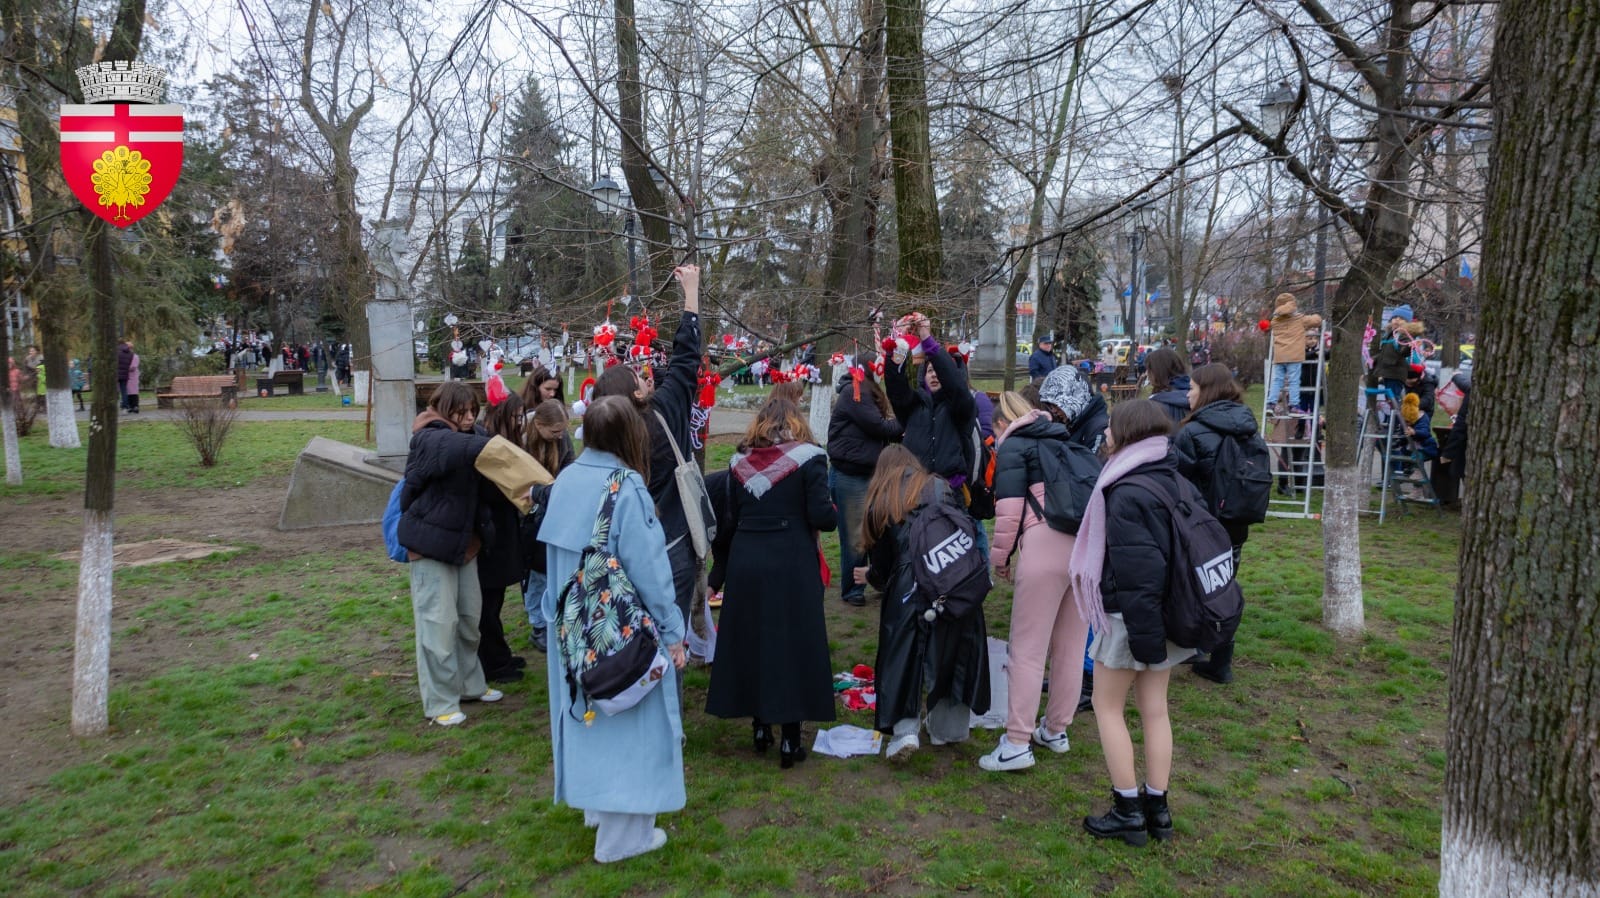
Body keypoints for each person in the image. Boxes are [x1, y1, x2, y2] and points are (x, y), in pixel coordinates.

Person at [540, 395, 688, 864]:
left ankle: (599, 810)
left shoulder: (565, 480)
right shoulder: (625, 488)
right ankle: (623, 838)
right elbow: (652, 571)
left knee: (591, 722)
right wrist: (673, 632)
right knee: (634, 729)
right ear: (632, 435)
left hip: (573, 632)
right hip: (622, 635)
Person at [1070, 399, 1197, 846]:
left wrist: (1144, 641)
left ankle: (1128, 810)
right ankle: (1158, 809)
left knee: (1107, 707)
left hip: (1132, 617)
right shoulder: (1173, 476)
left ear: (1126, 433)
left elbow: (1138, 572)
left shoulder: (1126, 490)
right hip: (1168, 612)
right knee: (1155, 709)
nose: (1104, 434)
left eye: (1110, 427)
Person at [706, 397, 838, 767]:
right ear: (796, 423)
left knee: (753, 641)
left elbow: (731, 519)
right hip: (791, 560)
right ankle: (790, 739)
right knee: (791, 645)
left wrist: (718, 576)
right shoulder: (811, 458)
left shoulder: (737, 462)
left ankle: (760, 727)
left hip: (747, 559)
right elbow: (822, 517)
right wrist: (831, 511)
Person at [981, 391, 1094, 772]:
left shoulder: (1015, 448)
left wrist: (1000, 560)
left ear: (1002, 424)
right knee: (1070, 649)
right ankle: (1056, 729)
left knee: (1028, 649)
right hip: (1082, 549)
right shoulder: (1065, 440)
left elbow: (1009, 512)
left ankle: (1016, 742)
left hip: (1043, 544)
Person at [857, 444, 991, 760]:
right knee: (954, 651)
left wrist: (872, 577)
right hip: (954, 578)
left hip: (909, 583)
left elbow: (883, 564)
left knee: (903, 657)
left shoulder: (882, 499)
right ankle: (949, 729)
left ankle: (905, 731)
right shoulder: (939, 486)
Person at [591, 265, 703, 626]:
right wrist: (691, 293)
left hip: (625, 551)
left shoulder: (603, 436)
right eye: (637, 376)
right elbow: (686, 360)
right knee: (671, 629)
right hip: (673, 543)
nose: (644, 374)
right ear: (637, 394)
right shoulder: (664, 413)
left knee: (634, 631)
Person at [396, 382, 500, 726]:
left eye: (473, 411)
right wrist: (496, 447)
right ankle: (440, 702)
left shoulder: (473, 437)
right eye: (462, 411)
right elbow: (451, 447)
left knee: (469, 621)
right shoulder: (428, 436)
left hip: (465, 547)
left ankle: (470, 685)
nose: (469, 418)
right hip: (430, 546)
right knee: (437, 626)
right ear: (443, 408)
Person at [1171, 363, 1258, 685]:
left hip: (1201, 527)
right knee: (1224, 586)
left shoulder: (1192, 432)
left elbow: (1177, 480)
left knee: (1192, 586)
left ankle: (1191, 646)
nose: (1187, 394)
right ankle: (1221, 660)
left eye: (1192, 388)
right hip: (1236, 521)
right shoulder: (1248, 424)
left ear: (1206, 391)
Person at [826, 354, 902, 606]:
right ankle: (852, 589)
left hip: (869, 473)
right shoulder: (855, 391)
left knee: (879, 531)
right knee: (856, 535)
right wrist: (907, 419)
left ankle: (879, 579)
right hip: (851, 476)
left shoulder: (865, 391)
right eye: (879, 367)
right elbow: (879, 427)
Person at [474, 394, 530, 684]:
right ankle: (493, 662)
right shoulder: (490, 446)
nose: (520, 422)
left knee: (494, 601)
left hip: (500, 531)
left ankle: (498, 655)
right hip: (491, 536)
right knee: (488, 603)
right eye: (517, 416)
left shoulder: (499, 442)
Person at [519, 398, 576, 651]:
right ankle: (538, 625)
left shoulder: (561, 441)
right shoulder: (522, 440)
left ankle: (553, 617)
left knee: (551, 570)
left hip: (554, 510)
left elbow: (569, 469)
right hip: (528, 516)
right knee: (536, 574)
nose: (560, 435)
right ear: (539, 425)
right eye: (555, 431)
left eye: (562, 430)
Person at [1037, 366, 1108, 456]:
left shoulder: (1099, 429)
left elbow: (1093, 463)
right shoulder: (1075, 421)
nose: (1053, 411)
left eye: (1057, 405)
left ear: (1076, 397)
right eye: (1050, 406)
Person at [1268, 294, 1322, 410]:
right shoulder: (1299, 319)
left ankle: (1271, 403)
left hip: (1279, 356)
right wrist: (1316, 315)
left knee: (1277, 380)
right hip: (1294, 356)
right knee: (1294, 381)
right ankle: (1294, 404)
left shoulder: (1275, 321)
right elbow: (1317, 321)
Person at [1145, 348, 1191, 424]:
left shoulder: (1156, 404)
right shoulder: (1196, 393)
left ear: (1158, 371)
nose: (1146, 373)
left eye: (1149, 369)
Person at [116, 339, 134, 411]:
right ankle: (125, 407)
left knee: (114, 390)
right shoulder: (131, 354)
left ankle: (113, 406)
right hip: (125, 374)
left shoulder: (116, 351)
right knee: (124, 390)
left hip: (116, 374)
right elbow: (129, 363)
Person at [123, 344, 141, 414]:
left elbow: (133, 367)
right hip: (126, 376)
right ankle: (130, 406)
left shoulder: (135, 356)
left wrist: (125, 368)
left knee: (134, 392)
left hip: (133, 376)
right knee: (128, 392)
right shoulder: (125, 356)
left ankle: (135, 406)